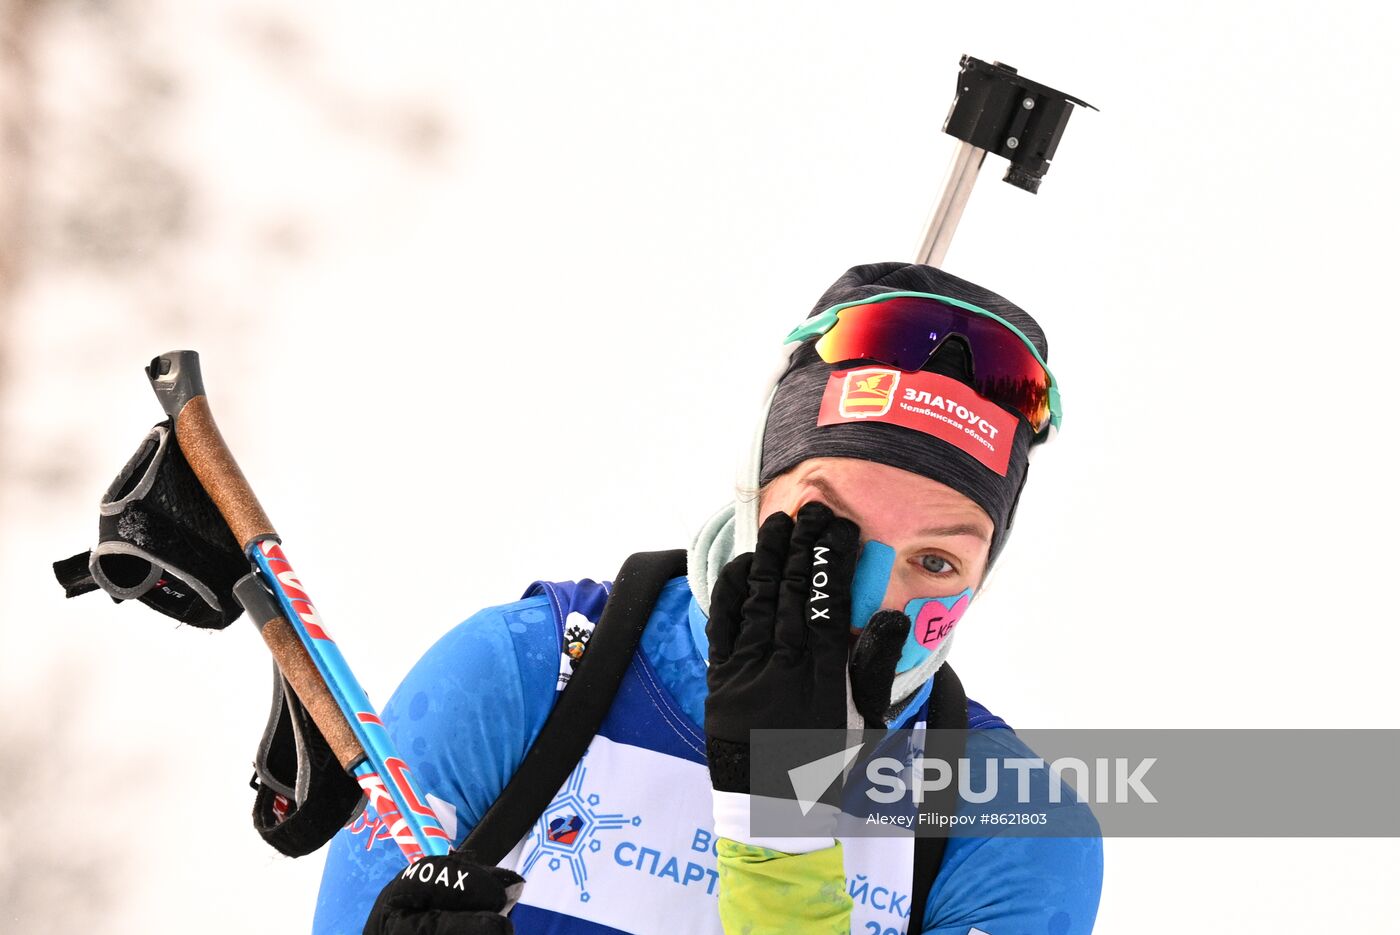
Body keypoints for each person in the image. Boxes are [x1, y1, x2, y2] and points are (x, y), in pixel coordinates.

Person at [313, 262, 1104, 934]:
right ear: (755, 490)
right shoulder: (525, 670)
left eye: (935, 559)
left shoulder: (1012, 822)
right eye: (828, 531)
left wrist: (785, 825)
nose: (867, 601)